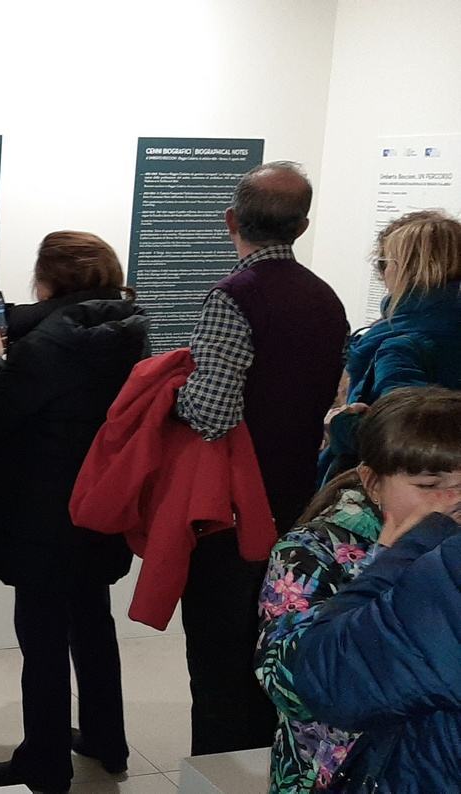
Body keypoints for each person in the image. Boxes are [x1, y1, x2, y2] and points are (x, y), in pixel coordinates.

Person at [173, 160, 349, 755]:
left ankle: (218, 777)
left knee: (219, 662)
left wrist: (169, 392)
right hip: (299, 503)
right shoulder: (325, 298)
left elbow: (212, 413)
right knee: (270, 651)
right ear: (302, 226)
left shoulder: (234, 296)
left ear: (231, 220)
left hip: (232, 512)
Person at [0, 231, 149, 792]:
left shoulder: (46, 345)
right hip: (99, 506)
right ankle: (105, 739)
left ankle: (44, 762)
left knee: (42, 639)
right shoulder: (129, 332)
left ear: (49, 282)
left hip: (41, 515)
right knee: (93, 624)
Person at [256, 387, 461, 792]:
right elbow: (285, 682)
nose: (454, 500)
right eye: (429, 484)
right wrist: (385, 562)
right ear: (373, 482)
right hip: (330, 771)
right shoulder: (313, 551)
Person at [319, 210, 461, 482]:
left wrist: (340, 425)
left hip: (399, 489)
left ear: (407, 269)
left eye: (384, 263)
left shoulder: (401, 344)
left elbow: (405, 436)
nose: (381, 274)